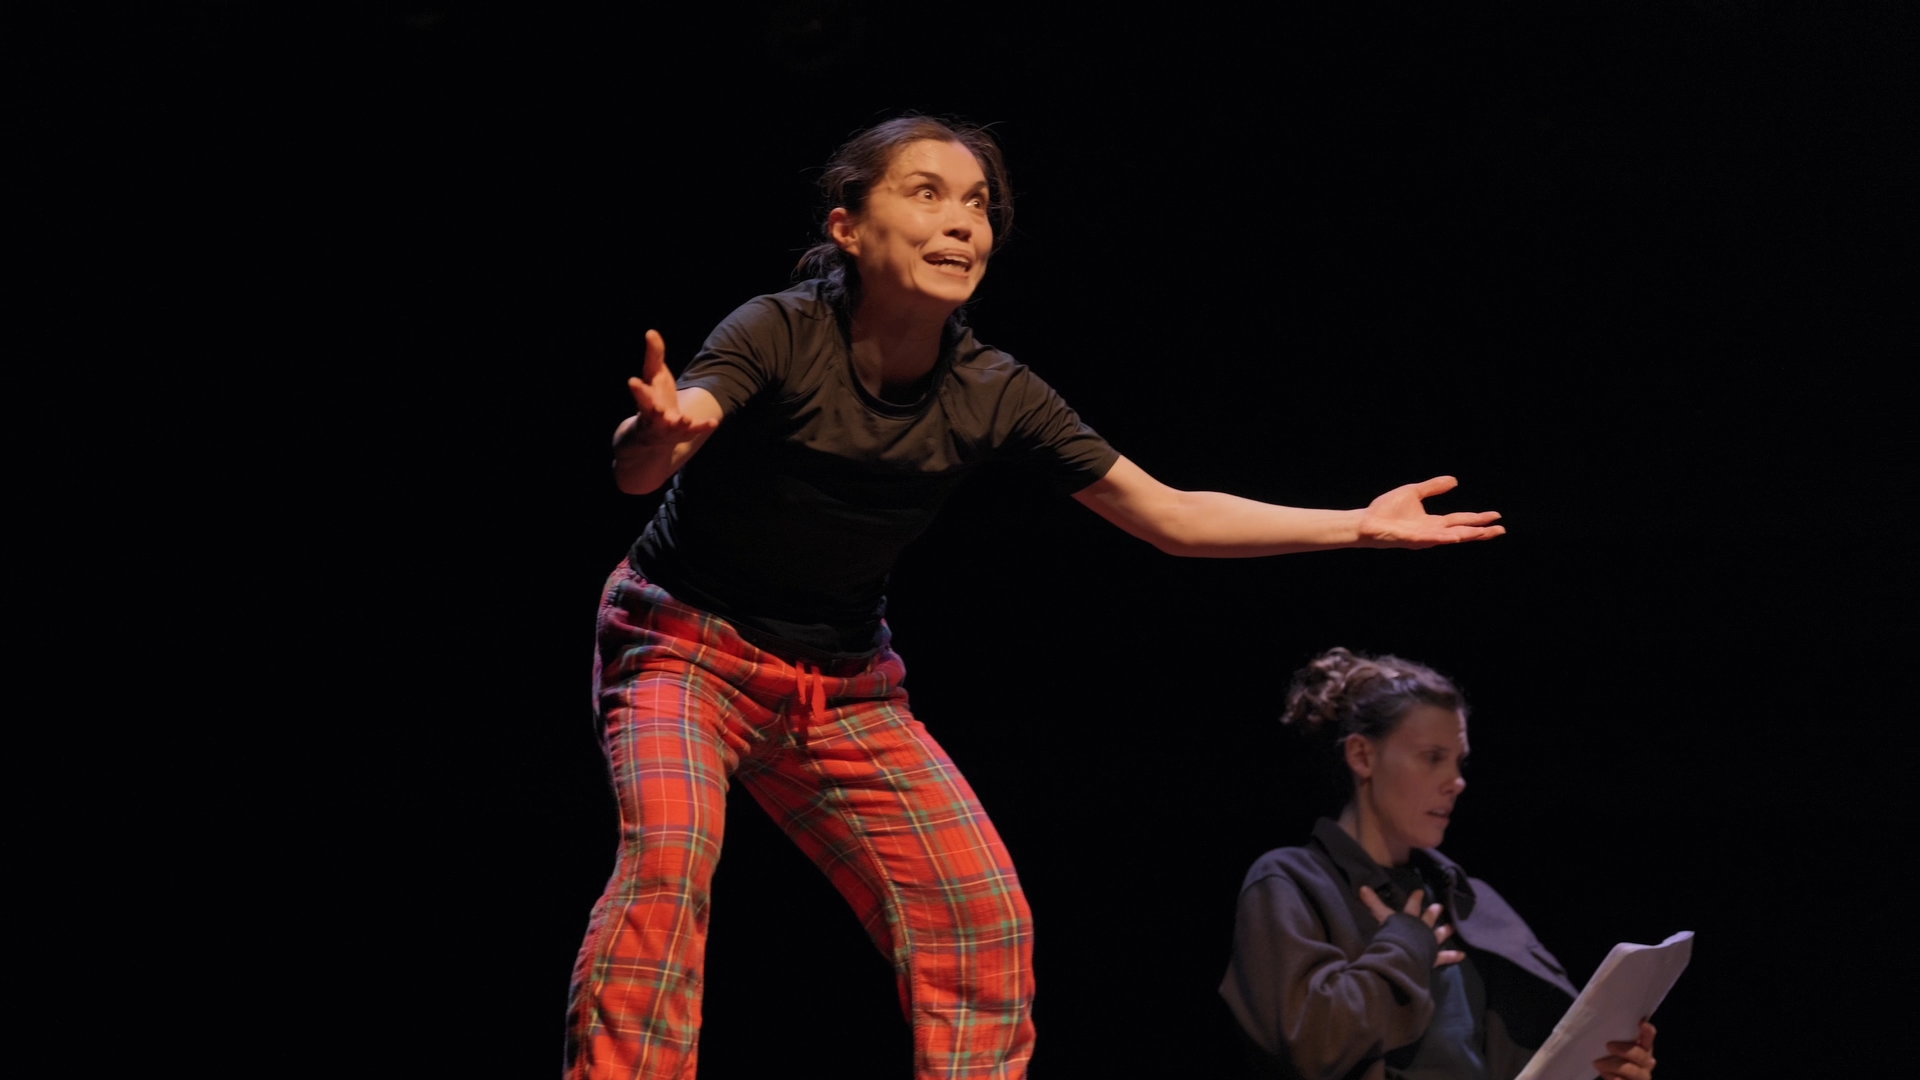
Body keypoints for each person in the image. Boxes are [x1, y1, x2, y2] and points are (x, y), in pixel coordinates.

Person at [567, 115, 1507, 1080]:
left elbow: (1171, 516)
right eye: (927, 194)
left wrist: (1358, 524)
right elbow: (647, 466)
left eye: (977, 205)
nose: (961, 222)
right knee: (669, 859)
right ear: (848, 226)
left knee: (981, 920)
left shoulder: (993, 390)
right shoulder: (780, 330)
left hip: (843, 686)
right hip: (686, 646)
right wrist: (657, 436)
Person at [1220, 648, 1660, 1080]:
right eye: (1432, 757)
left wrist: (1605, 1070)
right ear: (1362, 756)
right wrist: (1405, 946)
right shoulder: (1292, 882)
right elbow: (1307, 1045)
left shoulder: (1467, 901)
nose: (1457, 781)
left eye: (1458, 761)